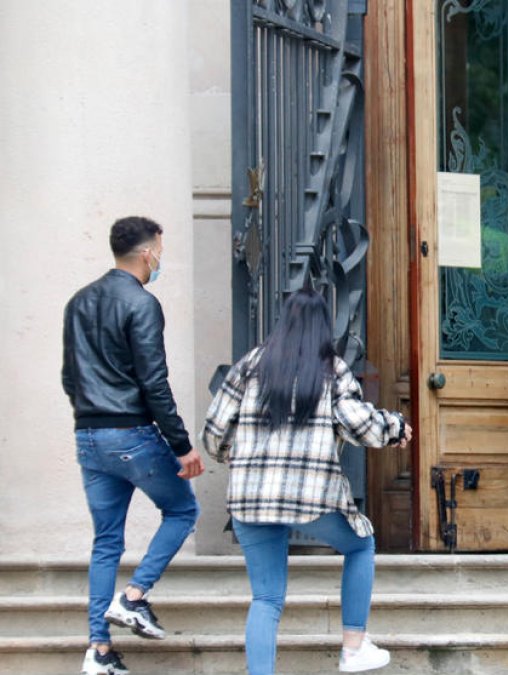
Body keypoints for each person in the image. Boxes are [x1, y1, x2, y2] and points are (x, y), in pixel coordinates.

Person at [202, 288, 412, 674]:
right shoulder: (330, 368)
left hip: (251, 498)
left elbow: (214, 430)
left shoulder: (250, 364)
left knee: (265, 598)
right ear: (322, 328)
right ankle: (353, 647)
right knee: (361, 545)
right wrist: (395, 427)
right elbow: (357, 422)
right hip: (308, 495)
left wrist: (227, 452)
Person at [63, 216, 204, 675]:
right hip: (132, 433)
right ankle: (134, 596)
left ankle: (99, 651)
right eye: (160, 249)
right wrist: (182, 446)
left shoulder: (78, 301)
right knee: (183, 510)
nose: (160, 257)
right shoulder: (142, 304)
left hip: (89, 434)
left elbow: (70, 377)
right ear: (148, 253)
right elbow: (153, 382)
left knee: (106, 542)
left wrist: (89, 416)